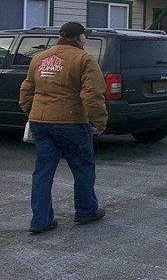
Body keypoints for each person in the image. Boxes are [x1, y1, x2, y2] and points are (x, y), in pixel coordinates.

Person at [19, 22, 108, 234]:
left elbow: (27, 88)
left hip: (41, 122)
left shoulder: (40, 58)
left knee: (43, 172)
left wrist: (31, 110)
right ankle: (86, 211)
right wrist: (99, 122)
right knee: (83, 169)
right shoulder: (84, 59)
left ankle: (40, 220)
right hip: (72, 123)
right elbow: (92, 95)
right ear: (80, 38)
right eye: (85, 36)